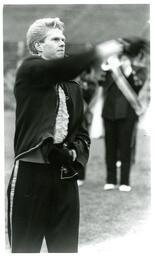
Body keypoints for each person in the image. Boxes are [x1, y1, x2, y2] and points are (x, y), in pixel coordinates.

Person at [7, 17, 122, 253]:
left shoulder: (73, 86)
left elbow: (83, 134)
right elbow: (60, 69)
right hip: (31, 174)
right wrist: (106, 48)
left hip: (64, 178)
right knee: (25, 249)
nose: (62, 43)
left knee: (66, 249)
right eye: (55, 39)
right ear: (39, 46)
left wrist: (71, 153)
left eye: (64, 39)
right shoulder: (29, 70)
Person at [100, 37, 150, 192]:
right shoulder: (110, 68)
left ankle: (125, 181)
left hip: (127, 114)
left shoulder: (140, 69)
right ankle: (110, 180)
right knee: (110, 148)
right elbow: (101, 83)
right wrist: (110, 67)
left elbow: (137, 85)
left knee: (125, 148)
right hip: (109, 112)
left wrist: (127, 70)